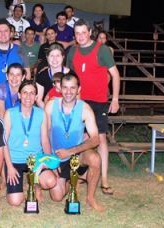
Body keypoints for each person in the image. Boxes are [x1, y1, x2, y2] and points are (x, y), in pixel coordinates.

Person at [66, 19, 120, 195]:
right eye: (77, 33)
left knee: (101, 138)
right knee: (81, 138)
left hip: (99, 101)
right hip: (80, 101)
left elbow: (115, 75)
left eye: (83, 32)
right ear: (74, 35)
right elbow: (68, 76)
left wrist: (115, 99)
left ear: (89, 32)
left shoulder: (102, 50)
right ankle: (80, 174)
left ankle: (104, 179)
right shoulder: (72, 51)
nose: (80, 36)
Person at [45, 73, 105, 212]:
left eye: (72, 88)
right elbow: (45, 134)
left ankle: (90, 198)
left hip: (76, 155)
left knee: (95, 158)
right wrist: (50, 160)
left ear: (78, 89)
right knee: (57, 196)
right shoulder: (51, 106)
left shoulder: (85, 108)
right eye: (65, 87)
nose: (68, 92)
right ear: (60, 88)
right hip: (57, 156)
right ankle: (74, 181)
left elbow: (96, 139)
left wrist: (71, 151)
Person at [3, 80, 58, 206]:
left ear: (36, 97)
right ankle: (17, 186)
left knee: (50, 181)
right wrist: (10, 167)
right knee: (15, 201)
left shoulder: (41, 114)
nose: (28, 97)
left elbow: (44, 139)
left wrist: (47, 161)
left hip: (35, 159)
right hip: (15, 159)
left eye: (32, 93)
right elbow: (4, 142)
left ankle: (35, 185)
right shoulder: (9, 114)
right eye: (25, 93)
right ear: (19, 95)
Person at [0, 18, 30, 90]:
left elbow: (27, 75)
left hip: (16, 97)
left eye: (6, 31)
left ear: (10, 33)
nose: (3, 34)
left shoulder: (20, 50)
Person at [36, 43, 70, 108]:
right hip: (47, 111)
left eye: (58, 56)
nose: (55, 59)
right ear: (47, 57)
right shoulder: (41, 76)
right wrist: (50, 113)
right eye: (51, 56)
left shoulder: (71, 75)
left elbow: (76, 98)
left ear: (63, 57)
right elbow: (39, 100)